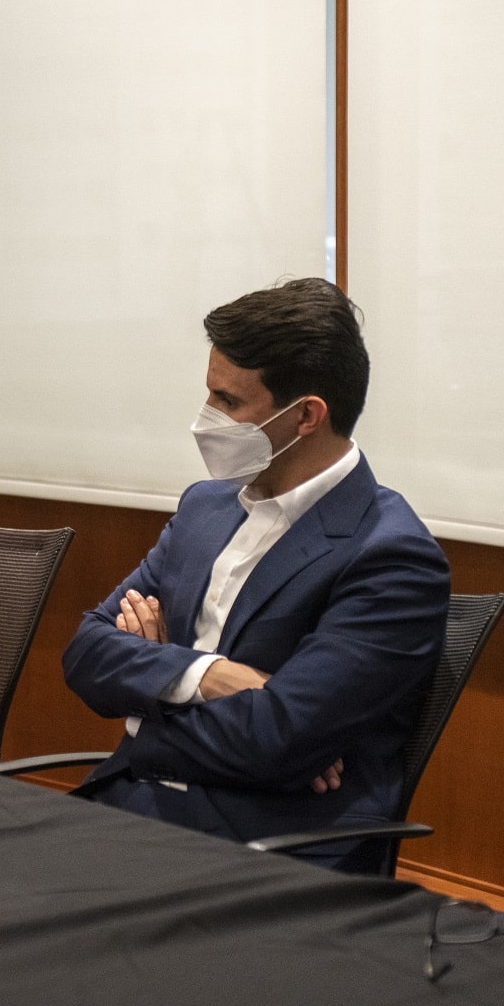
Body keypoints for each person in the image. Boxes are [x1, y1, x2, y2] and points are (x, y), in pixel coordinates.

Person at [61, 277, 451, 873]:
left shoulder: (392, 557)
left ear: (306, 416)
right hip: (129, 804)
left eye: (229, 401)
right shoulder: (204, 507)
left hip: (265, 842)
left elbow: (276, 741)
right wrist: (206, 675)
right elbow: (87, 653)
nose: (206, 418)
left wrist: (144, 711)